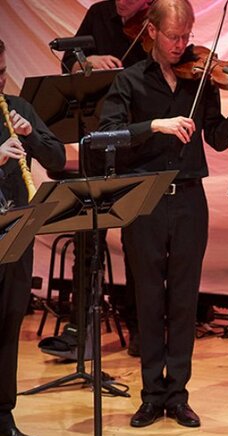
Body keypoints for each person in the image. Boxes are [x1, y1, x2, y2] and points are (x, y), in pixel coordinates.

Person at [98, 0, 228, 428]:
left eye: (187, 36)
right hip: (145, 198)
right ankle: (151, 394)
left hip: (190, 198)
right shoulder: (130, 80)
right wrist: (155, 125)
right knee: (149, 297)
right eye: (173, 36)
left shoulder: (201, 81)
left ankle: (177, 394)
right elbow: (108, 136)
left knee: (183, 298)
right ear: (152, 31)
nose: (182, 45)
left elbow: (218, 138)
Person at [44, 0, 152, 360]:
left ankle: (141, 327)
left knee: (140, 245)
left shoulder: (156, 19)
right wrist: (86, 62)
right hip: (97, 141)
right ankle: (80, 329)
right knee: (89, 240)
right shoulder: (99, 14)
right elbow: (68, 61)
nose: (122, 2)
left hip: (138, 147)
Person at [0, 37, 66, 436]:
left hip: (16, 232)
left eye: (2, 73)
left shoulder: (17, 108)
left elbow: (58, 159)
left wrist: (33, 138)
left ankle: (3, 414)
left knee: (9, 326)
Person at [61, 0, 151, 73]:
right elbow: (69, 61)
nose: (121, 3)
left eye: (130, 0)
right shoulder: (99, 11)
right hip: (95, 90)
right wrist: (86, 64)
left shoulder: (155, 25)